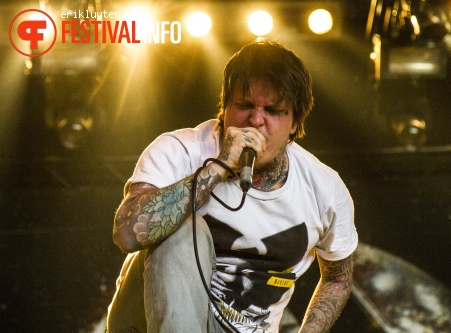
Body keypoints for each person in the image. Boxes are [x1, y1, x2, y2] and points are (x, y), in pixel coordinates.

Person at [107, 39, 358, 333]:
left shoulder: (323, 187)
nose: (256, 119)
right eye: (244, 105)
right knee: (188, 228)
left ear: (294, 123)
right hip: (149, 322)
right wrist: (221, 165)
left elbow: (338, 277)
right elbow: (127, 234)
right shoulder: (179, 151)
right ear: (225, 107)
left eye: (274, 110)